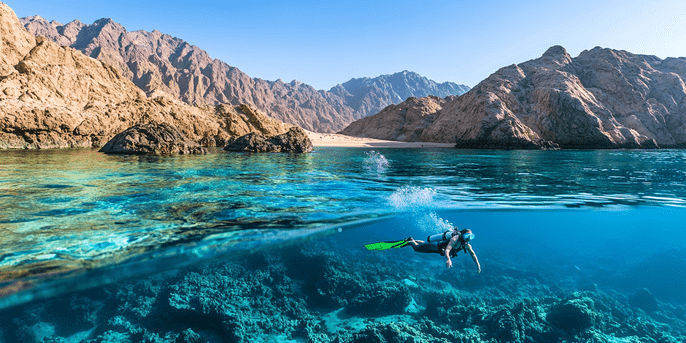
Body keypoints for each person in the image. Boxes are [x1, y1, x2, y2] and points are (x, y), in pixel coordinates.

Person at [405, 228, 481, 271]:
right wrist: (448, 259)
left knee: (424, 243)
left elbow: (473, 255)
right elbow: (448, 249)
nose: (468, 238)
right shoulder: (455, 239)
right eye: (467, 236)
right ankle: (411, 241)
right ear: (461, 235)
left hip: (439, 250)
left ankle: (414, 240)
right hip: (436, 246)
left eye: (471, 237)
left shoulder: (467, 245)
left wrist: (478, 265)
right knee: (416, 248)